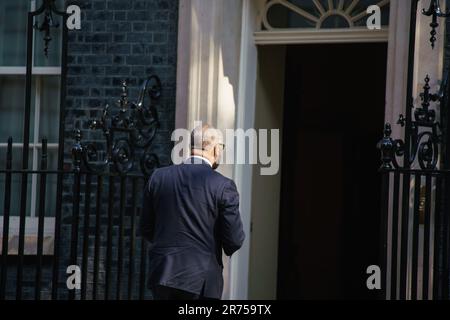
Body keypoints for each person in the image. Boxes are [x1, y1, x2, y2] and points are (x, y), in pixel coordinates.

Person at [141, 124, 245, 300]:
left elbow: (146, 229)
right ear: (213, 147)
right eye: (221, 146)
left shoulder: (158, 177)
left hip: (163, 273)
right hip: (202, 281)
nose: (221, 151)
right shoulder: (223, 186)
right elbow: (234, 240)